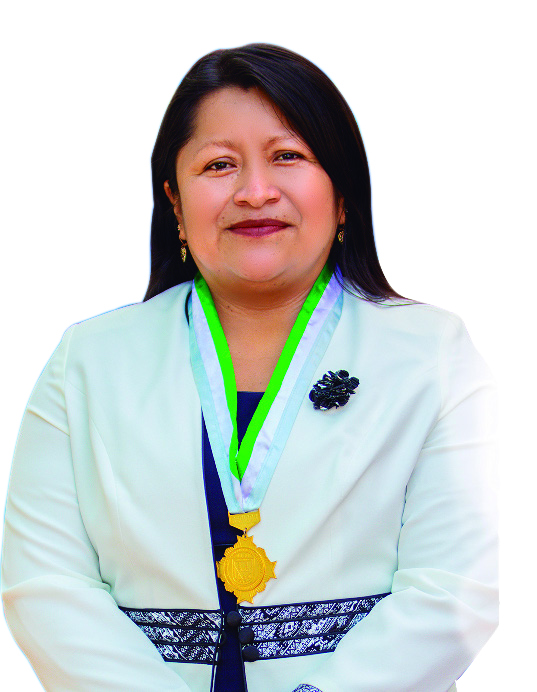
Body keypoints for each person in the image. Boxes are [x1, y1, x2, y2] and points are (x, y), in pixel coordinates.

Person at [1, 44, 498, 692]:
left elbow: (455, 589)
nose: (255, 192)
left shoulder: (430, 353)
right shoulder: (88, 361)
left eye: (287, 156)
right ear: (174, 201)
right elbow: (46, 585)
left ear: (342, 192)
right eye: (219, 164)